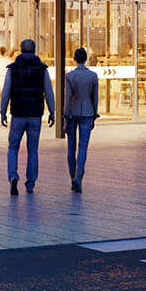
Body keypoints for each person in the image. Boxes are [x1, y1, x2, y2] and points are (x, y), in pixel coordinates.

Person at [0, 39, 55, 194]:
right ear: (34, 50)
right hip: (35, 114)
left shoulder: (13, 69)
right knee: (33, 149)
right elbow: (48, 92)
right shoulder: (42, 69)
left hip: (18, 113)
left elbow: (6, 92)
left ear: (21, 50)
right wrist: (52, 111)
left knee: (13, 147)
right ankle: (30, 183)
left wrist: (3, 111)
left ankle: (13, 176)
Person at [62, 48, 99, 192]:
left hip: (72, 113)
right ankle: (79, 177)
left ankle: (73, 178)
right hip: (87, 112)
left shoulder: (70, 76)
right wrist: (94, 114)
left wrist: (66, 116)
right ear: (86, 59)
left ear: (74, 59)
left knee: (71, 148)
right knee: (83, 147)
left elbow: (67, 97)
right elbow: (94, 97)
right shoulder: (93, 76)